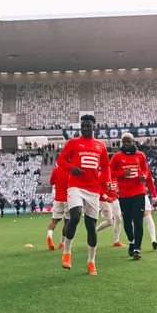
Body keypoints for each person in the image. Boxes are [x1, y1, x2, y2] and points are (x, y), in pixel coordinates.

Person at [56, 114, 110, 276]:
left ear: (94, 127)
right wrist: (71, 168)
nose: (85, 128)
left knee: (91, 227)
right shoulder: (73, 143)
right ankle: (67, 252)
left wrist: (106, 181)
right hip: (75, 186)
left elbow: (106, 166)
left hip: (93, 190)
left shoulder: (100, 146)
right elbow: (61, 160)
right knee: (75, 215)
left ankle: (91, 262)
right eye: (83, 126)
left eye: (88, 125)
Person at [110, 133, 155, 260]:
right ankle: (131, 241)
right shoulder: (117, 157)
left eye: (128, 141)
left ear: (133, 142)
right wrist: (122, 173)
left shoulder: (140, 155)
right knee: (127, 222)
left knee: (139, 220)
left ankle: (137, 248)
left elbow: (145, 169)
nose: (126, 143)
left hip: (139, 192)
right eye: (124, 141)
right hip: (124, 194)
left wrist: (144, 176)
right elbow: (110, 172)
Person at [96, 178, 125, 247]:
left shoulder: (116, 175)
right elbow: (97, 187)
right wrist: (105, 197)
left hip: (114, 200)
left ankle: (116, 241)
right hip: (104, 201)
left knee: (118, 219)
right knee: (109, 222)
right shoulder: (103, 175)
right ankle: (94, 231)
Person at [47, 165, 70, 251]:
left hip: (57, 199)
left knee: (53, 221)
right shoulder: (71, 170)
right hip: (68, 199)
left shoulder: (56, 169)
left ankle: (49, 235)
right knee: (67, 222)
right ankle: (62, 243)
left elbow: (51, 182)